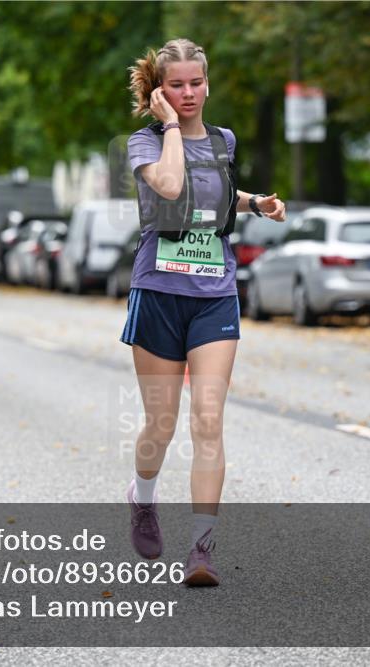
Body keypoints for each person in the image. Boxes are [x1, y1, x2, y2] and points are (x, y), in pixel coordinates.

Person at [122, 38, 285, 587]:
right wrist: (169, 126)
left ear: (207, 85)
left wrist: (256, 203)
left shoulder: (223, 140)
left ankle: (201, 549)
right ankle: (143, 496)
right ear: (159, 92)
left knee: (208, 419)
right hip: (159, 292)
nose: (188, 93)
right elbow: (171, 185)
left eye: (196, 83)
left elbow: (216, 194)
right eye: (176, 85)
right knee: (161, 424)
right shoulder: (145, 142)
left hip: (214, 293)